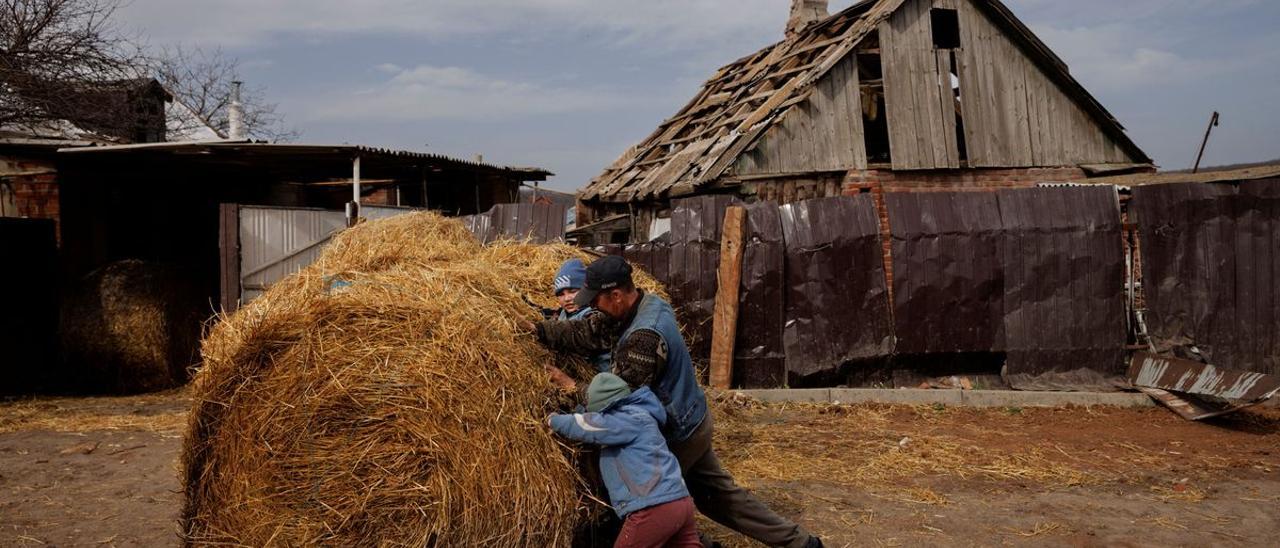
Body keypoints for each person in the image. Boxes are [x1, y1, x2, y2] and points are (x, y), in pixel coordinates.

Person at [531, 255, 823, 548]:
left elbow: (619, 401)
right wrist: (540, 330)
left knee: (641, 502)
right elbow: (587, 332)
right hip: (692, 419)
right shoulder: (645, 305)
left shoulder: (643, 338)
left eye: (596, 300)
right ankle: (802, 543)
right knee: (720, 498)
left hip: (677, 433)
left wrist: (573, 388)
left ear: (616, 295)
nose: (591, 306)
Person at [549, 373, 701, 548]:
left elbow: (588, 426)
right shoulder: (639, 415)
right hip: (680, 501)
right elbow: (599, 423)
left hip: (653, 507)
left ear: (609, 407)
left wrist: (554, 420)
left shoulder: (626, 419)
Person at [552, 258, 611, 372]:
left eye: (573, 291)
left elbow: (579, 331)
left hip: (600, 376)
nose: (567, 299)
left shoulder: (594, 313)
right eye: (561, 294)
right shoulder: (565, 312)